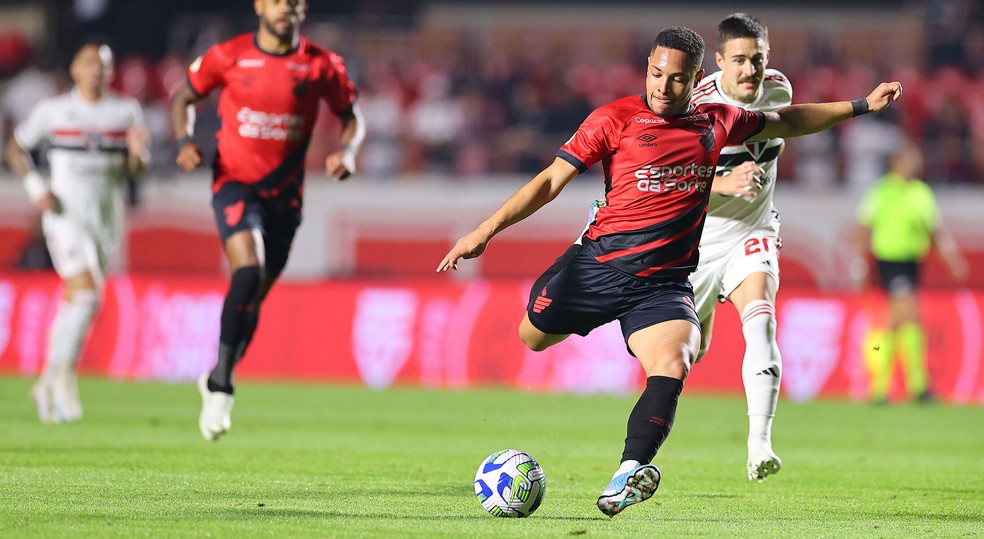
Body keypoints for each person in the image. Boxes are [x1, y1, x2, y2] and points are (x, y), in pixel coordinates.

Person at [437, 26, 901, 517]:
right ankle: (621, 443)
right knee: (531, 336)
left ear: (696, 78)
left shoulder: (718, 120)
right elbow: (551, 180)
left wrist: (862, 106)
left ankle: (627, 473)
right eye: (655, 74)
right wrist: (483, 232)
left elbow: (789, 119)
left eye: (676, 79)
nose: (662, 86)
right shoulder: (613, 119)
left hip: (662, 284)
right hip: (597, 264)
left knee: (674, 362)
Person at [170, 0, 365, 442]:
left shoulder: (321, 65)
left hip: (285, 199)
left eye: (294, 1)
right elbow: (184, 95)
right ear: (259, 5)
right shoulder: (228, 55)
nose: (286, 8)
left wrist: (348, 151)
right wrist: (183, 140)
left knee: (255, 295)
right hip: (234, 185)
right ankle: (221, 385)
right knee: (248, 271)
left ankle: (220, 371)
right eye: (277, 0)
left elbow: (353, 118)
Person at [3, 43, 149, 423]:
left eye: (103, 65)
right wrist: (37, 190)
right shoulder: (53, 111)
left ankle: (48, 380)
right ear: (74, 69)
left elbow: (137, 171)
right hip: (65, 217)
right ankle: (61, 379)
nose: (96, 71)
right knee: (85, 295)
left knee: (80, 299)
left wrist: (139, 155)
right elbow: (15, 148)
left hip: (105, 219)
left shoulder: (125, 112)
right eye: (89, 63)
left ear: (111, 71)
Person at [687, 13, 790, 483]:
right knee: (688, 352)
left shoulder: (779, 89)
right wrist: (726, 182)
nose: (751, 71)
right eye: (740, 61)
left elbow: (789, 128)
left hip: (753, 231)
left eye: (758, 59)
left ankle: (759, 445)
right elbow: (670, 190)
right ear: (719, 62)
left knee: (762, 324)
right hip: (697, 243)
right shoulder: (694, 109)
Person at [854, 142, 967, 404]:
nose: (914, 165)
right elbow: (863, 228)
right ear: (896, 164)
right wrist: (859, 264)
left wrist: (951, 259)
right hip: (890, 261)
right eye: (908, 161)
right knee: (906, 315)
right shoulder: (881, 192)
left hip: (912, 262)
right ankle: (910, 387)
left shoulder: (921, 193)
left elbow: (934, 230)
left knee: (903, 321)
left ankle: (887, 388)